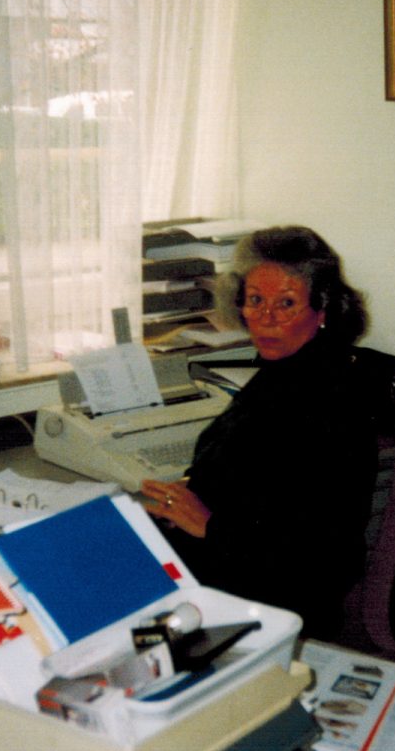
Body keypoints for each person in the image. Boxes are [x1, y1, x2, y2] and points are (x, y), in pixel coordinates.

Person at [138, 225, 377, 640]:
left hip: (269, 601)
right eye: (255, 300)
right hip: (226, 573)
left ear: (323, 310)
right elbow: (258, 480)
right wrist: (191, 493)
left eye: (286, 303)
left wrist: (208, 525)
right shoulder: (282, 373)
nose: (266, 318)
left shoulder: (331, 403)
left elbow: (319, 553)